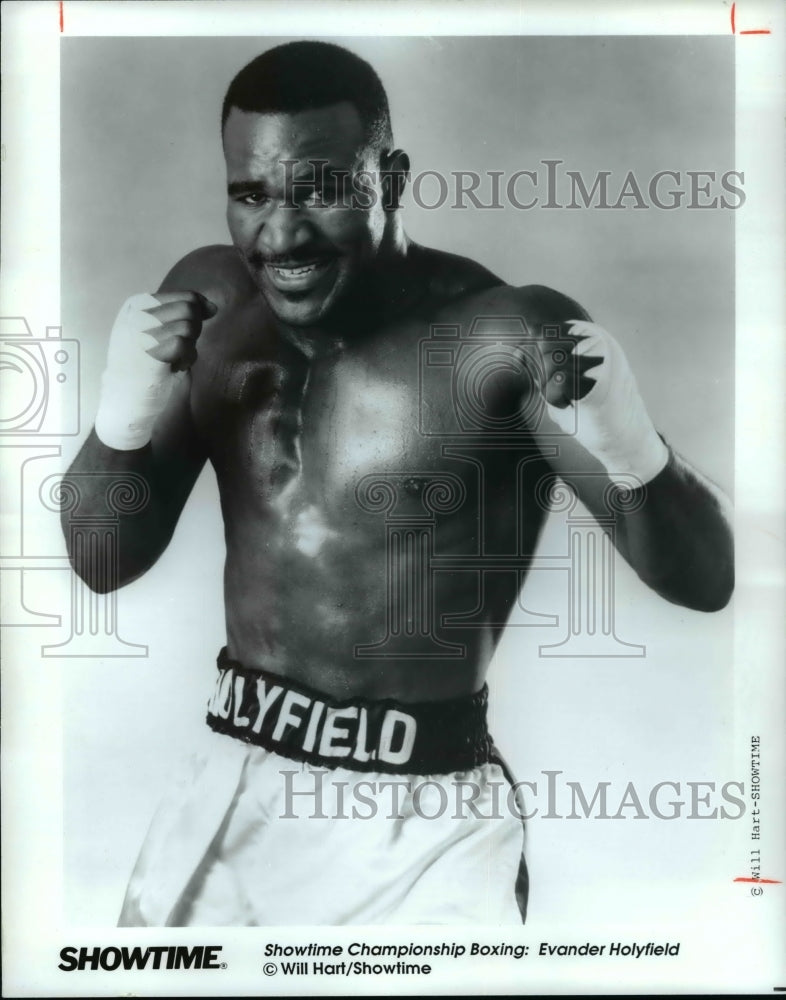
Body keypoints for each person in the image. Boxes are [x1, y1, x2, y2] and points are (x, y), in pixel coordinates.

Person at [61, 40, 733, 926]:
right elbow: (103, 563)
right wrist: (119, 425)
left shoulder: (502, 339)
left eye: (322, 192)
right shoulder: (212, 305)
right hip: (227, 779)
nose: (282, 234)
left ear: (394, 177)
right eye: (251, 195)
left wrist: (635, 450)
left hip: (423, 826)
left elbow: (706, 579)